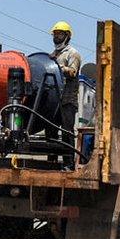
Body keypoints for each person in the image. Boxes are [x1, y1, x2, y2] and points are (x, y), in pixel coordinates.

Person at [50, 21, 82, 171]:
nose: (56, 37)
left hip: (67, 99)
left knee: (66, 132)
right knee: (50, 131)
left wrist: (58, 67)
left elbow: (73, 72)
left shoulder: (72, 53)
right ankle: (52, 162)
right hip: (54, 99)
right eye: (55, 34)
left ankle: (68, 164)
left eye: (60, 34)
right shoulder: (53, 54)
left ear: (67, 36)